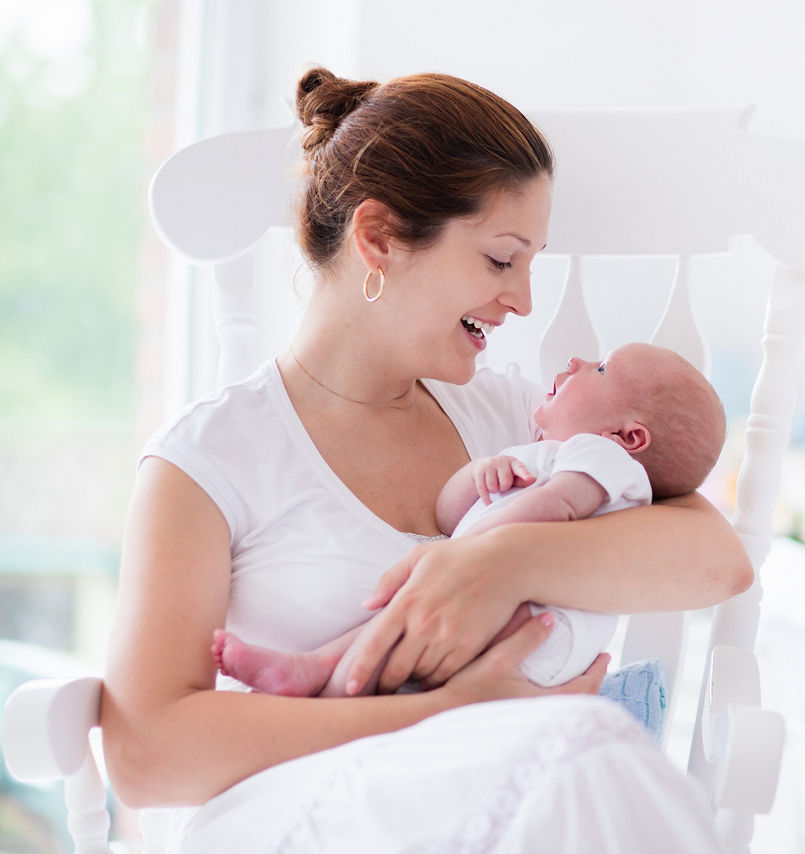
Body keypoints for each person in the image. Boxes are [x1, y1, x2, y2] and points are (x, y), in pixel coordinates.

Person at [100, 66, 750, 851]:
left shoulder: (522, 419)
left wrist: (501, 563)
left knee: (587, 763)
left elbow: (717, 561)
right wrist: (455, 709)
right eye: (502, 260)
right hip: (301, 810)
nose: (523, 302)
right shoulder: (208, 463)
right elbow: (147, 754)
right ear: (378, 238)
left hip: (500, 801)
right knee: (587, 754)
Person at [210, 342, 726, 696]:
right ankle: (315, 671)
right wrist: (483, 473)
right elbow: (449, 511)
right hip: (524, 624)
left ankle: (318, 676)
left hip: (541, 626)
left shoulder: (604, 460)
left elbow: (561, 506)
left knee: (412, 616)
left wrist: (473, 553)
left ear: (629, 436)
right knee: (403, 623)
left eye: (601, 370)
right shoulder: (542, 453)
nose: (576, 360)